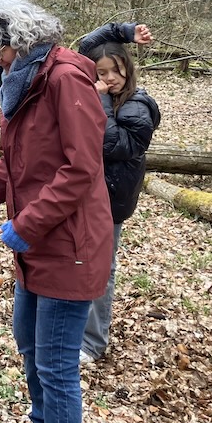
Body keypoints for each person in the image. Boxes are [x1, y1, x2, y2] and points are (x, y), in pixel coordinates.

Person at [0, 0, 111, 423]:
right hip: (36, 249)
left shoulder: (63, 79)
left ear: (19, 41)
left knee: (55, 367)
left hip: (70, 245)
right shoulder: (19, 81)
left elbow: (81, 168)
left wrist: (27, 224)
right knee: (31, 353)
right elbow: (14, 162)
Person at [78, 37, 161, 364]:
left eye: (116, 70)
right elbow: (84, 46)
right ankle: (81, 332)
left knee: (101, 269)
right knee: (83, 264)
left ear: (128, 68)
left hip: (111, 201)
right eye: (102, 72)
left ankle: (93, 342)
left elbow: (116, 145)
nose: (110, 78)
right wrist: (123, 30)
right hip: (89, 196)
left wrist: (98, 101)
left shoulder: (137, 106)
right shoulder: (106, 98)